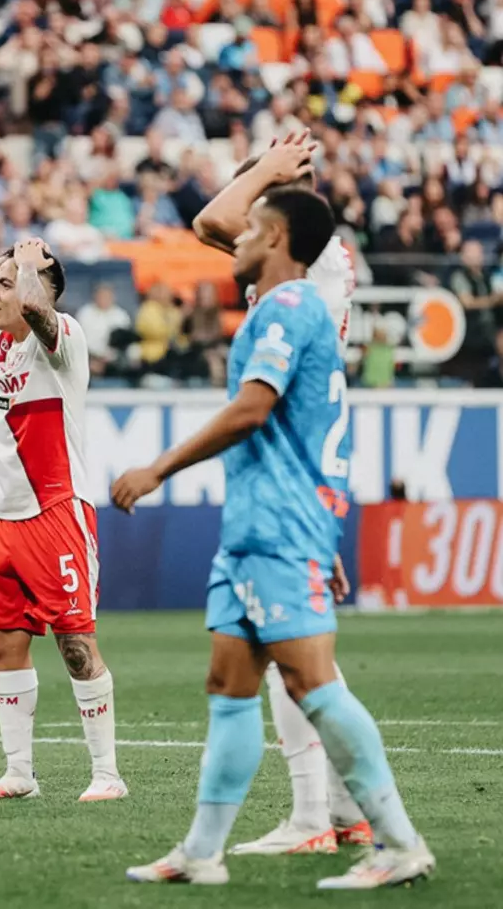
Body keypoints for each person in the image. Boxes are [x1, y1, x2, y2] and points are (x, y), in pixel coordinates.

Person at [117, 189, 434, 890]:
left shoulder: (292, 307)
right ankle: (202, 852)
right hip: (258, 526)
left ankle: (399, 843)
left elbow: (253, 409)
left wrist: (157, 469)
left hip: (280, 526)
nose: (236, 240)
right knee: (229, 686)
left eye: (251, 229)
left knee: (311, 683)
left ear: (277, 237)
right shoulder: (279, 309)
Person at [190, 131, 371, 855]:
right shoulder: (313, 267)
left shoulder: (308, 264)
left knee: (292, 658)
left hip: (287, 465)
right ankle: (351, 814)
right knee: (302, 655)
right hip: (304, 463)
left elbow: (210, 219)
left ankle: (314, 819)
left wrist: (263, 169)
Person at [0, 240, 127, 803]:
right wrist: (8, 259)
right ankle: (19, 772)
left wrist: (26, 269)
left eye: (6, 286)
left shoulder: (64, 339)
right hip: (0, 516)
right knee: (6, 644)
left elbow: (36, 310)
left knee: (75, 643)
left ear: (38, 288)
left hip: (55, 510)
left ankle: (107, 774)